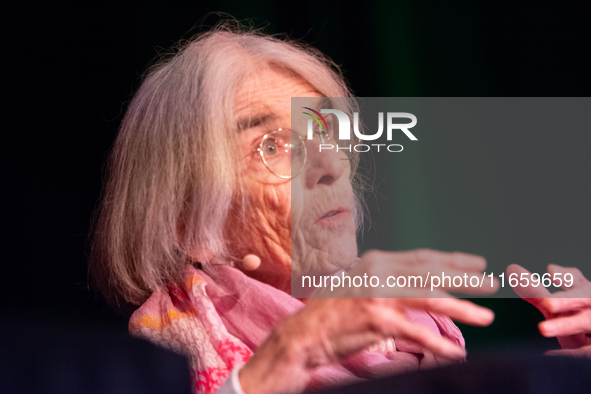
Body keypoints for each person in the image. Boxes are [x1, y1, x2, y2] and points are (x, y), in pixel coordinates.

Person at [90, 23, 591, 394]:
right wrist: (286, 355)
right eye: (273, 145)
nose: (330, 166)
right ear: (185, 220)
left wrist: (573, 373)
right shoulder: (150, 363)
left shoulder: (422, 331)